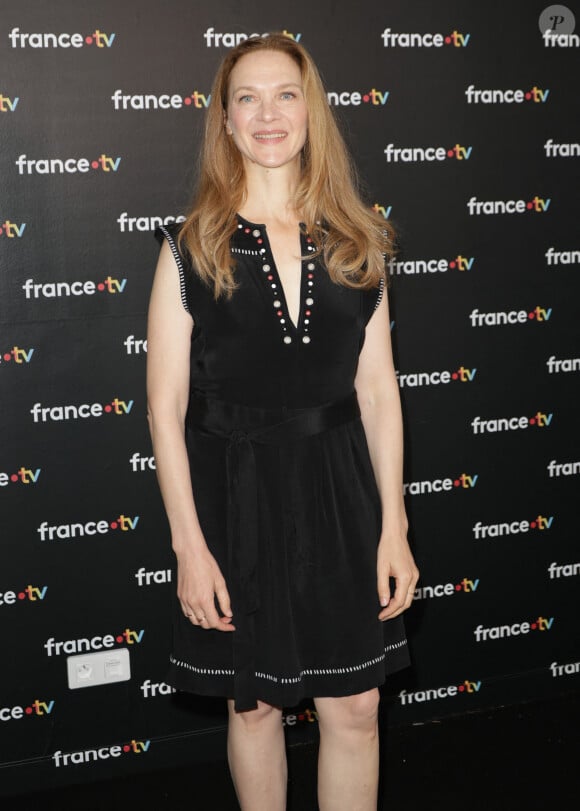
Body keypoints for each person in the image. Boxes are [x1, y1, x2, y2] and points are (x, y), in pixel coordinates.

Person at [146, 32, 419, 811]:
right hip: (235, 499)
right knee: (255, 704)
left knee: (358, 706)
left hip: (341, 496)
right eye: (248, 98)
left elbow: (378, 393)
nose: (269, 113)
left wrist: (393, 524)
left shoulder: (360, 241)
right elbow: (164, 412)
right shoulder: (188, 248)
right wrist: (189, 548)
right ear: (226, 121)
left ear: (312, 112)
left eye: (286, 94)